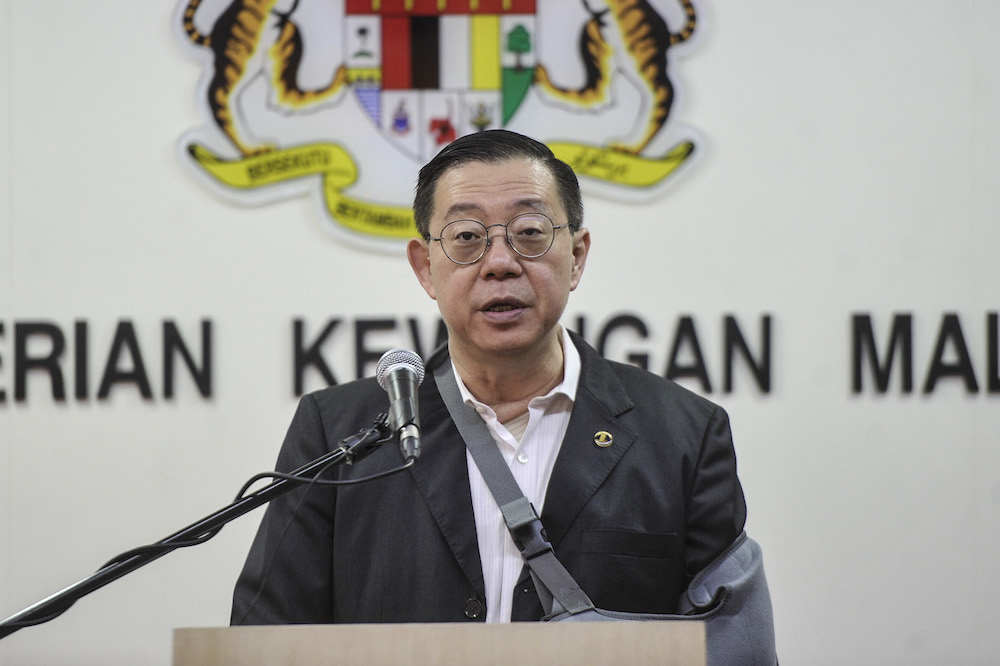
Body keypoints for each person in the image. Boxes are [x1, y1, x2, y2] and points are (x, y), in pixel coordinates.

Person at [232, 130, 764, 633]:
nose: (501, 263)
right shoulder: (340, 432)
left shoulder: (682, 435)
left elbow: (727, 643)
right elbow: (266, 638)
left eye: (530, 234)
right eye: (467, 238)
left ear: (576, 256)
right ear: (425, 268)